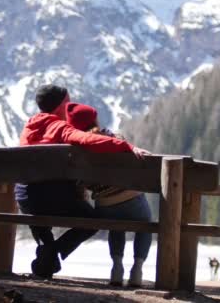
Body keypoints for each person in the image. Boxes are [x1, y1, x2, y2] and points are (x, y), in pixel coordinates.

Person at [16, 84, 150, 279]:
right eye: (68, 102)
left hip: (24, 197)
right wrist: (125, 145)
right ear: (61, 105)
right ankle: (51, 253)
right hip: (49, 198)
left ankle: (47, 257)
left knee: (40, 218)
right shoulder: (59, 127)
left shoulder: (28, 127)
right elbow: (88, 140)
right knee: (92, 221)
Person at [65, 102, 153, 287]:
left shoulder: (75, 149)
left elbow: (80, 182)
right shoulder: (114, 138)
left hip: (104, 206)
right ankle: (137, 270)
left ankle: (116, 269)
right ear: (94, 119)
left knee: (116, 226)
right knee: (146, 226)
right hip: (131, 201)